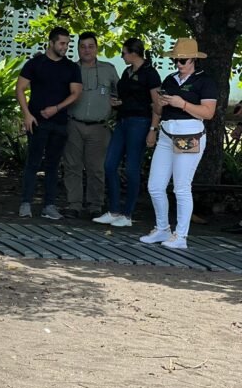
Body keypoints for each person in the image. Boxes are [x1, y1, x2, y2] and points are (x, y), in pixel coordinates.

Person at [139, 38, 217, 249]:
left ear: (193, 60)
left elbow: (208, 113)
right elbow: (157, 110)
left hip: (189, 134)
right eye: (176, 60)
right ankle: (162, 228)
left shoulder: (205, 81)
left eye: (183, 60)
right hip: (166, 133)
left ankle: (180, 235)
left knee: (181, 187)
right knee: (155, 185)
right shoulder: (170, 79)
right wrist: (155, 121)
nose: (179, 64)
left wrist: (181, 103)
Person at [93, 38, 162, 227]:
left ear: (134, 53)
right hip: (123, 121)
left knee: (132, 167)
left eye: (123, 53)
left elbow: (156, 104)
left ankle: (128, 214)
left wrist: (153, 129)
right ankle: (114, 210)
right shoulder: (127, 71)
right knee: (109, 164)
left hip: (140, 122)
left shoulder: (150, 74)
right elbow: (128, 97)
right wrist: (118, 103)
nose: (122, 56)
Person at [16, 26, 83, 219]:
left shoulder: (71, 67)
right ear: (51, 42)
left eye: (68, 44)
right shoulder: (36, 63)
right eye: (62, 43)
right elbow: (20, 88)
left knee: (53, 165)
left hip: (60, 122)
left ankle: (49, 205)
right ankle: (26, 202)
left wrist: (57, 108)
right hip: (37, 121)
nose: (65, 47)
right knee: (33, 162)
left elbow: (76, 93)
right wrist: (27, 114)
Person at [62, 32, 119, 218]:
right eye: (83, 46)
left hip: (99, 127)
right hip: (73, 124)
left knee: (96, 167)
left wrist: (116, 102)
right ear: (78, 49)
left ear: (96, 48)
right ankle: (74, 204)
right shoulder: (70, 68)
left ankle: (95, 205)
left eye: (90, 46)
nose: (86, 50)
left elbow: (119, 93)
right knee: (72, 166)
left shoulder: (108, 69)